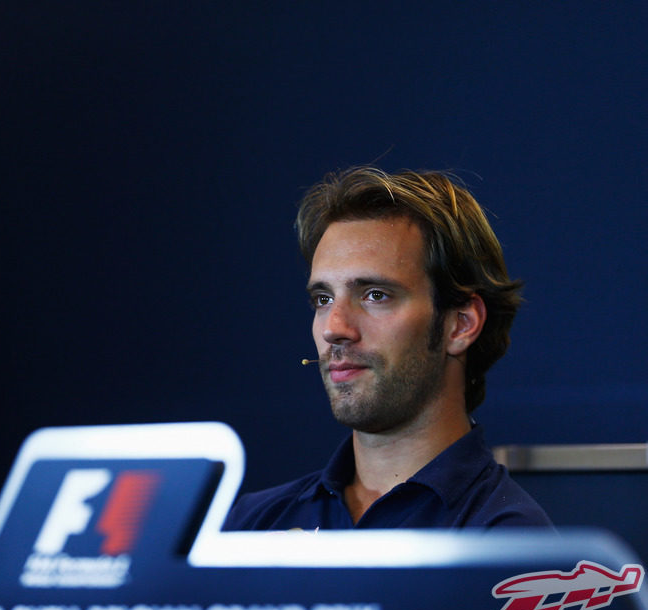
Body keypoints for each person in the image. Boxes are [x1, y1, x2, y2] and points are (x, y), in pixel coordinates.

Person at [224, 167, 552, 530]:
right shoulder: (252, 524)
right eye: (323, 298)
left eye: (375, 295)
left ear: (460, 324)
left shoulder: (508, 541)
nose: (334, 328)